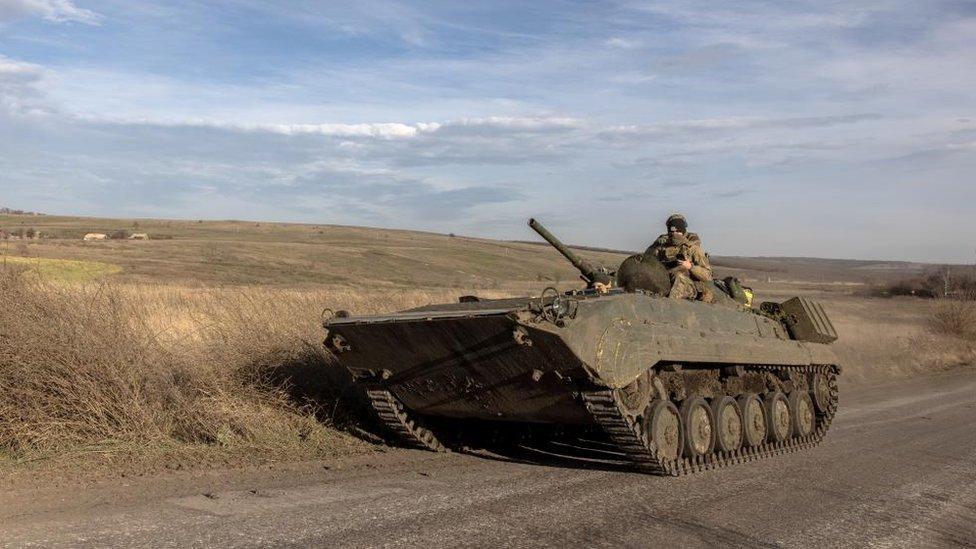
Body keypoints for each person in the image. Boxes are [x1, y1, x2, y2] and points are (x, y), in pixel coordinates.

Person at [645, 213, 714, 302]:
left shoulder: (693, 249)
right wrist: (655, 245)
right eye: (672, 232)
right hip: (665, 279)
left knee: (677, 277)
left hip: (689, 283)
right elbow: (646, 260)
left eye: (677, 232)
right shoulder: (662, 245)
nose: (674, 234)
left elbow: (707, 275)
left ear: (683, 232)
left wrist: (691, 267)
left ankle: (674, 300)